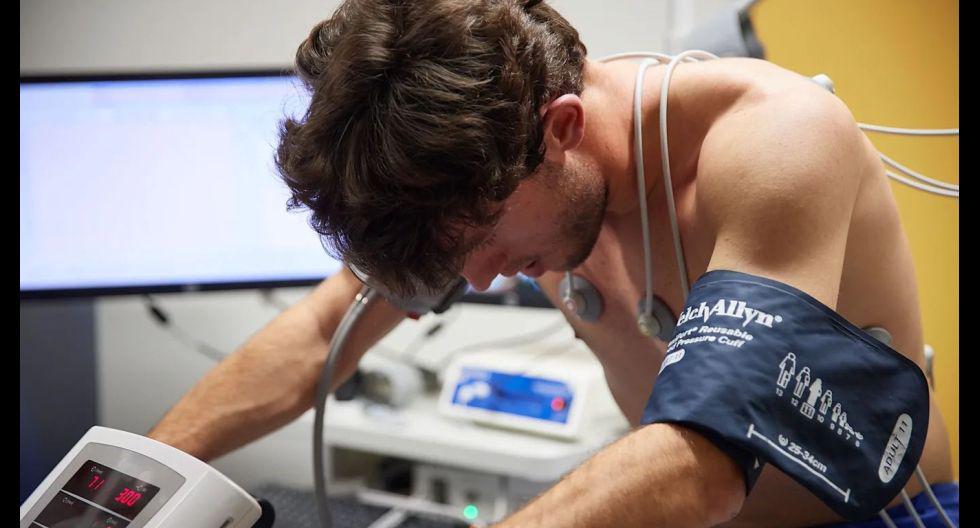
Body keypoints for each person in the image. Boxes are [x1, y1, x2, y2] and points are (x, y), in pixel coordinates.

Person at [147, 0, 955, 526]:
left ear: (560, 128)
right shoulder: (484, 178)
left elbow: (706, 457)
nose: (478, 278)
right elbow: (326, 330)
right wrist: (138, 479)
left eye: (487, 239)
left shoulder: (771, 140)